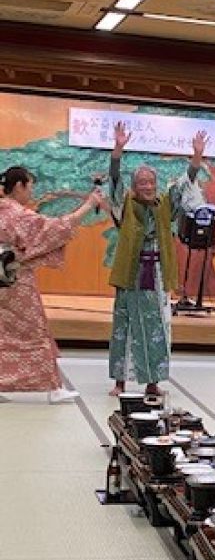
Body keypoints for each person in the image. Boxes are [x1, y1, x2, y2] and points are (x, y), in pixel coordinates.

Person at [108, 123, 210, 397]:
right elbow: (114, 181)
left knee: (157, 327)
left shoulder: (165, 204)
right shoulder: (126, 204)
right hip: (130, 274)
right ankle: (120, 381)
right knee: (125, 325)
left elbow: (185, 183)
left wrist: (196, 157)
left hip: (156, 274)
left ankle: (152, 381)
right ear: (134, 187)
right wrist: (117, 150)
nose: (148, 186)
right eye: (142, 182)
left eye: (151, 182)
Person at [0, 166, 99, 402]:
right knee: (35, 332)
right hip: (16, 283)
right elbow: (54, 229)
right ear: (19, 186)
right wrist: (87, 205)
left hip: (2, 280)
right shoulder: (17, 214)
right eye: (30, 187)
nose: (31, 192)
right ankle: (53, 387)